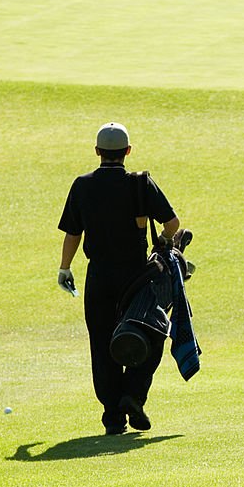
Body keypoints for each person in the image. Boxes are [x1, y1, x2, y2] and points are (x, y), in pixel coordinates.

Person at [57, 122, 180, 435]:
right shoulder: (140, 184)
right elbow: (172, 223)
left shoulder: (82, 185)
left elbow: (73, 232)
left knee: (102, 343)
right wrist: (163, 243)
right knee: (150, 333)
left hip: (98, 277)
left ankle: (113, 416)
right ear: (128, 151)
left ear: (97, 152)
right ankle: (134, 394)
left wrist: (65, 267)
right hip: (136, 279)